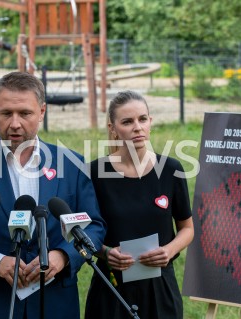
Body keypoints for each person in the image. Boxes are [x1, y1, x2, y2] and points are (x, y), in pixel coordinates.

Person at [0, 71, 106, 319]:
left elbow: (94, 226)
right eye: (6, 114)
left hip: (54, 303)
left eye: (25, 113)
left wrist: (63, 256)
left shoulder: (72, 164)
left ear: (42, 111)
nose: (14, 123)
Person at [85, 90, 194, 319]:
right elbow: (82, 232)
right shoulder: (94, 173)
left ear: (150, 122)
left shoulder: (171, 170)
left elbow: (187, 228)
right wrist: (105, 253)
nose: (137, 127)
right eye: (127, 122)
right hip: (111, 286)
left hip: (160, 287)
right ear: (113, 128)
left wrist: (169, 250)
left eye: (142, 119)